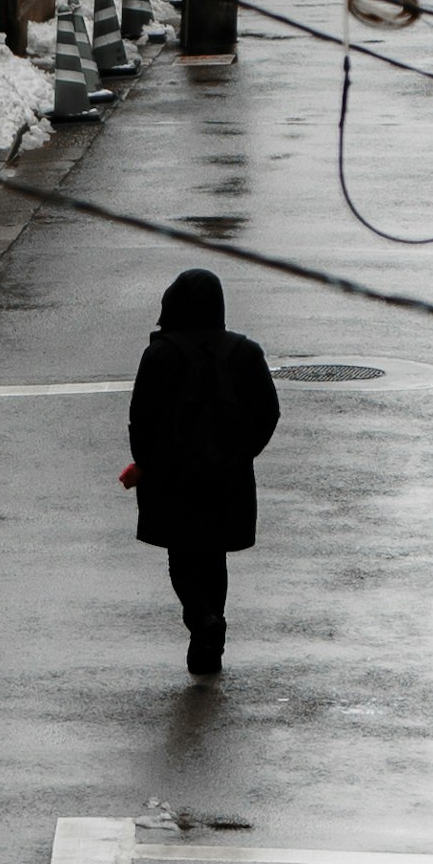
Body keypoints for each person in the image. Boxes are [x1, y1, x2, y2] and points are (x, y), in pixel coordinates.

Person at [119, 266, 280, 678]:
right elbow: (267, 412)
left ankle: (201, 620)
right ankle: (210, 638)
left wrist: (148, 464)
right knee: (214, 556)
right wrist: (242, 453)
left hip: (173, 475)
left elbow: (142, 417)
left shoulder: (160, 354)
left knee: (182, 556)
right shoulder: (244, 353)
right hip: (228, 476)